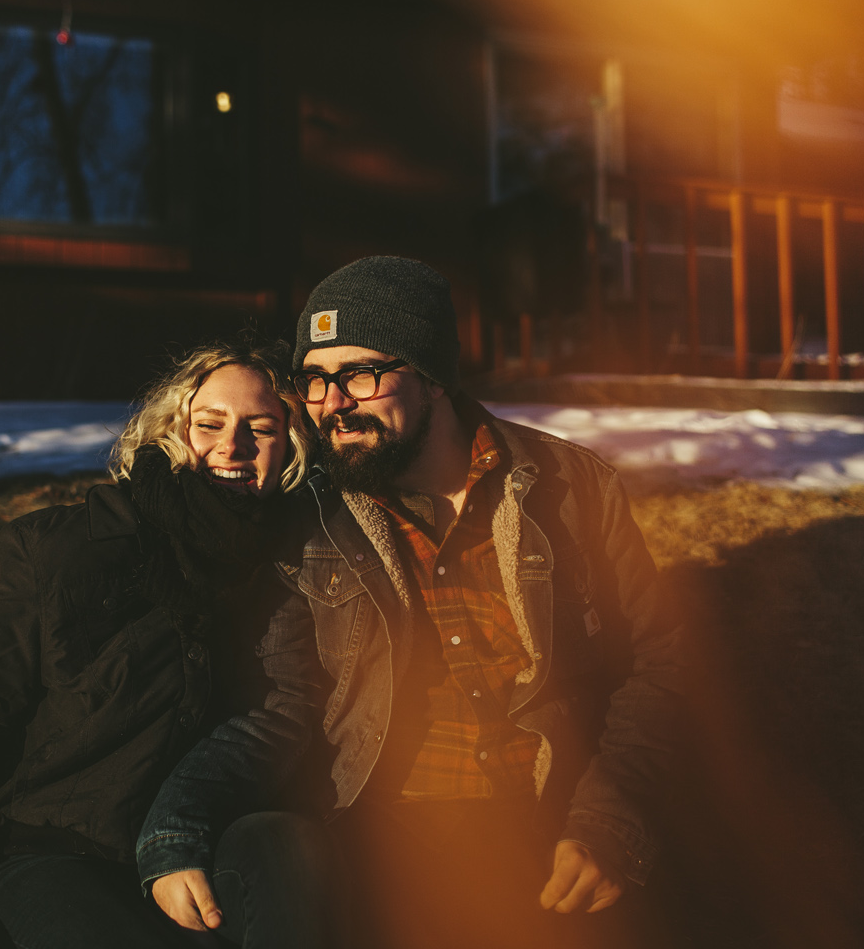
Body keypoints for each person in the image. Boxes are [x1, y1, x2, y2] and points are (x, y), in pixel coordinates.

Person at [283, 257, 684, 949]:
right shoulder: (304, 506)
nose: (333, 403)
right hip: (382, 821)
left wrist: (608, 822)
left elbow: (662, 661)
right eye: (315, 379)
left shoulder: (568, 485)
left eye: (360, 375)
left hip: (550, 803)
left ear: (433, 376)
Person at [0, 341, 337, 949]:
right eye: (210, 424)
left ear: (289, 450)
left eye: (261, 429)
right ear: (171, 431)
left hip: (206, 842)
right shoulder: (55, 551)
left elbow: (285, 710)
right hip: (58, 853)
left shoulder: (290, 567)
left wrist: (179, 833)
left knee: (284, 844)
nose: (232, 447)